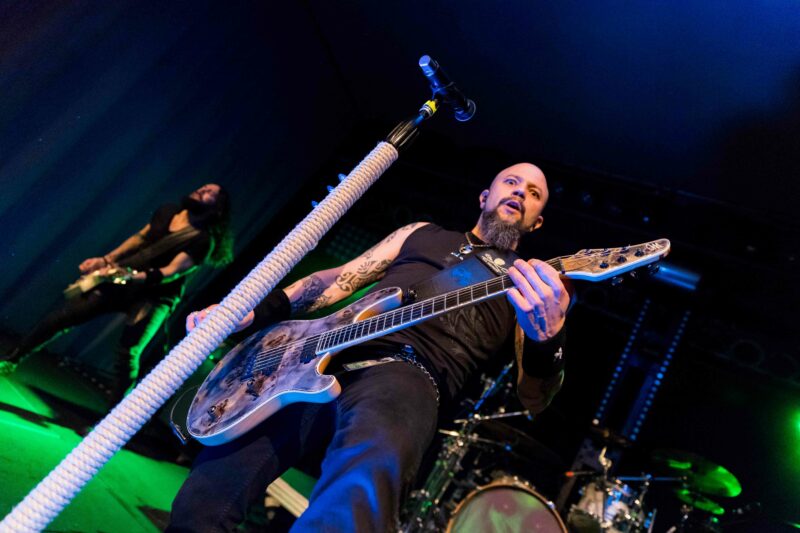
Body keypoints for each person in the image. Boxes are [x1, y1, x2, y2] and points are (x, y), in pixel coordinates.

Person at [167, 163, 569, 532]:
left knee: (358, 494)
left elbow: (535, 398)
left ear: (537, 222)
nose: (520, 192)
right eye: (511, 182)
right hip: (322, 353)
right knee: (205, 495)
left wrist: (548, 339)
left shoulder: (530, 284)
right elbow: (337, 281)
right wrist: (253, 312)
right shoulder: (421, 233)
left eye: (534, 193)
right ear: (484, 196)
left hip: (409, 378)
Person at [1, 184, 234, 401]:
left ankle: (117, 414)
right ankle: (12, 359)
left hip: (154, 296)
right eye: (203, 187)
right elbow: (139, 238)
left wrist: (134, 277)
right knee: (63, 317)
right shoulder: (168, 212)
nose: (201, 190)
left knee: (128, 353)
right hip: (123, 280)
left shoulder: (202, 241)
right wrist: (105, 260)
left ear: (217, 208)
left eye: (209, 193)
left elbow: (171, 272)